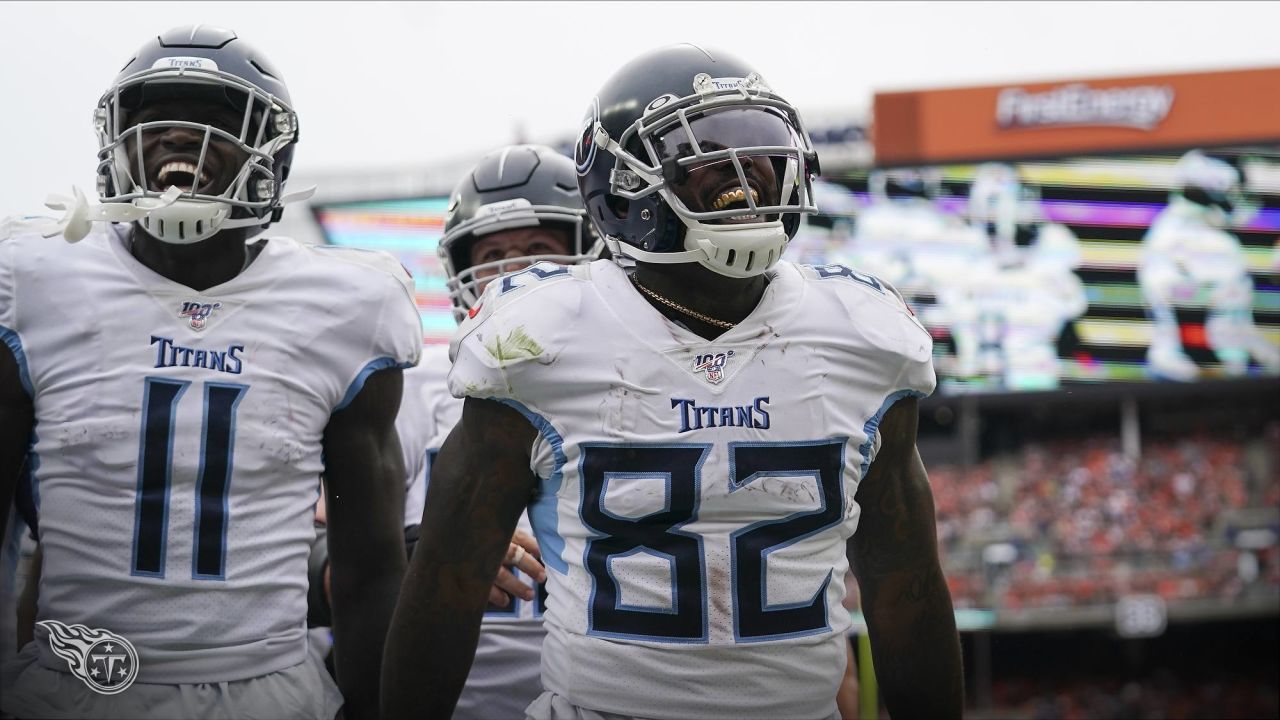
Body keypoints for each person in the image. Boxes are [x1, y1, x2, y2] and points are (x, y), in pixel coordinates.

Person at [383, 44, 963, 720]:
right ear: (624, 188)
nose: (747, 179)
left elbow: (907, 593)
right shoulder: (541, 338)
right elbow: (446, 590)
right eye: (710, 158)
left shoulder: (860, 333)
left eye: (760, 153)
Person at [0, 25, 419, 720]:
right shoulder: (36, 281)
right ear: (115, 142)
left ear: (270, 157)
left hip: (270, 690)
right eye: (150, 118)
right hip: (68, 685)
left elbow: (369, 567)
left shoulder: (348, 306)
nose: (175, 135)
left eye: (215, 119)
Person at [394, 143, 602, 720]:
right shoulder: (417, 386)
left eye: (540, 250)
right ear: (461, 272)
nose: (516, 272)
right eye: (494, 255)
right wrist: (420, 551)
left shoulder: (632, 381)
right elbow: (333, 538)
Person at [1138, 150, 1280, 380]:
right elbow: (1190, 322)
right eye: (1236, 190)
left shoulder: (1207, 234)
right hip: (1189, 377)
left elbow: (1234, 322)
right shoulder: (1182, 239)